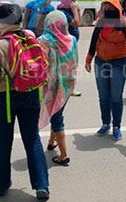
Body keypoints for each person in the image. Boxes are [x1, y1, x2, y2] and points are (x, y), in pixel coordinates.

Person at [0, 3, 50, 200]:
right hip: (31, 94)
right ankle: (42, 186)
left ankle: (0, 186)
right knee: (32, 139)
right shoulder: (31, 38)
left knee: (3, 141)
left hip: (4, 98)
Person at [85, 0, 126, 141]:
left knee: (116, 97)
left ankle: (117, 126)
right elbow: (94, 41)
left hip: (119, 63)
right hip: (101, 62)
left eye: (110, 8)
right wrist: (89, 58)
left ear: (117, 8)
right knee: (103, 96)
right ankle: (105, 123)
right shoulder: (101, 22)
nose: (107, 10)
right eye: (105, 8)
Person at [38, 11, 78, 166]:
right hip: (68, 84)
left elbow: (39, 63)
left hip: (51, 85)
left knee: (57, 117)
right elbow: (75, 60)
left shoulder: (43, 41)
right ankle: (51, 141)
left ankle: (64, 155)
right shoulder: (72, 39)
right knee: (57, 111)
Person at [58, 0, 83, 97]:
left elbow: (79, 23)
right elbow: (76, 23)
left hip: (72, 42)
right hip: (66, 44)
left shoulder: (70, 11)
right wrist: (75, 10)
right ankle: (68, 88)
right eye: (72, 1)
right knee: (68, 66)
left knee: (72, 65)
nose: (74, 3)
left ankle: (69, 87)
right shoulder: (64, 12)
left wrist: (78, 10)